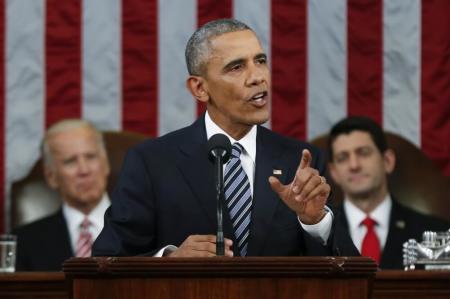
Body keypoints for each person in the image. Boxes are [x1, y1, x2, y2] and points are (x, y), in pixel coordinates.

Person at [93, 19, 358, 258]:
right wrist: (169, 261)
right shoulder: (151, 162)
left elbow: (350, 273)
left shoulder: (300, 162)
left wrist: (314, 221)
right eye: (236, 67)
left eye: (261, 60)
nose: (257, 77)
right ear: (200, 88)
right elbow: (106, 262)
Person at [328, 116, 449, 269]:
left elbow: (440, 292)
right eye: (343, 158)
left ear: (387, 161)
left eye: (364, 153)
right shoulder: (318, 236)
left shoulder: (433, 234)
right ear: (334, 172)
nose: (354, 165)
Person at [14, 119, 111, 271]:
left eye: (91, 157)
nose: (84, 170)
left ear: (106, 164)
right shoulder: (23, 243)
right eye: (70, 161)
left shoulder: (145, 228)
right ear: (51, 176)